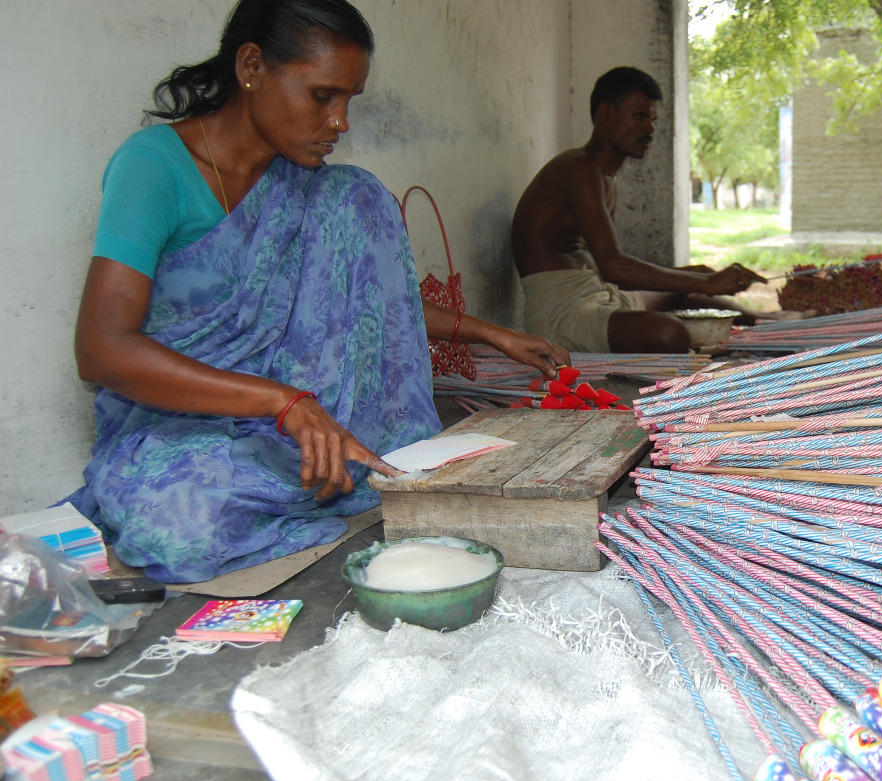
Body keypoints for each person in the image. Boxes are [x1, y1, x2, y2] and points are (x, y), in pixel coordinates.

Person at [69, 0, 569, 583]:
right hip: (187, 423)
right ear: (252, 67)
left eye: (350, 101)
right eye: (323, 96)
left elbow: (377, 306)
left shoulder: (313, 190)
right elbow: (100, 350)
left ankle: (340, 465)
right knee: (180, 524)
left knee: (354, 195)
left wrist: (493, 334)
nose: (341, 122)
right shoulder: (154, 165)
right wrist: (283, 402)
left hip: (300, 421)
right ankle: (323, 477)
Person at [512, 66, 778, 354]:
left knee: (684, 295)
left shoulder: (605, 177)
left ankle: (772, 323)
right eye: (640, 116)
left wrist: (692, 279)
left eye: (652, 119)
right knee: (669, 333)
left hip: (597, 295)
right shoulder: (577, 169)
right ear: (606, 115)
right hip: (563, 316)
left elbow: (610, 269)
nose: (650, 128)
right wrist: (706, 281)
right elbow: (613, 266)